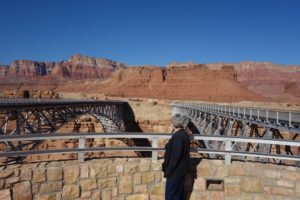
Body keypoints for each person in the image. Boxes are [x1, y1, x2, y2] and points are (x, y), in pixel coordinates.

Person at [162, 114, 190, 200]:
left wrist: (168, 171)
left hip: (175, 172)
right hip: (181, 171)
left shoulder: (178, 137)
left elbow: (176, 157)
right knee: (178, 195)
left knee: (170, 196)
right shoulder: (184, 134)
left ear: (174, 124)